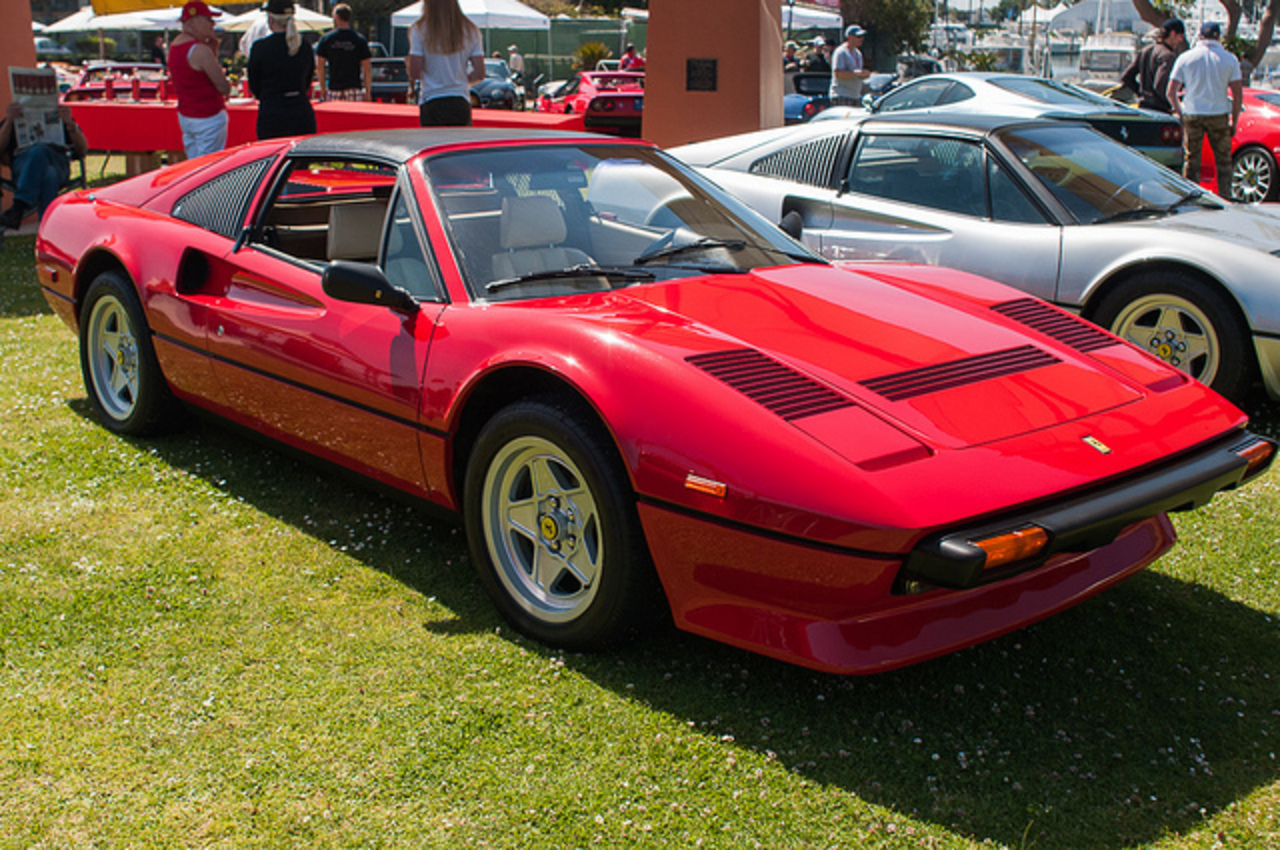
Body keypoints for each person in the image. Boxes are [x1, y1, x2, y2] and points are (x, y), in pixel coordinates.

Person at [1167, 21, 1243, 199]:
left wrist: (1180, 112)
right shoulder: (1229, 59)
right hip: (1218, 113)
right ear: (1218, 37)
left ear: (1200, 36)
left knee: (1192, 159)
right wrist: (1235, 120)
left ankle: (1190, 197)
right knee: (1223, 160)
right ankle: (1225, 195)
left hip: (1192, 112)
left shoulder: (1186, 58)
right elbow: (1238, 95)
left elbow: (1171, 92)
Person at [0, 102, 89, 232]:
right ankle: (48, 232)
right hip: (24, 170)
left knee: (41, 151)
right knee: (48, 174)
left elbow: (82, 150)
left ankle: (19, 207)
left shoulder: (61, 117)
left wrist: (70, 123)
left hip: (59, 165)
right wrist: (9, 121)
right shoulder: (13, 118)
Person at [168, 0, 231, 160]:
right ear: (194, 22)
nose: (212, 24)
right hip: (208, 116)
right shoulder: (199, 50)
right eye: (208, 20)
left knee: (194, 164)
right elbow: (223, 87)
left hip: (187, 114)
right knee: (208, 167)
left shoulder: (175, 46)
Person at [407, 0, 485, 127]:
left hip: (431, 99)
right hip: (460, 99)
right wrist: (462, 80)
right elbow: (480, 73)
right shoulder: (471, 30)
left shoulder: (419, 29)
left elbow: (414, 72)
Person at [248, 0, 317, 140]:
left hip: (272, 112)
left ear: (271, 19)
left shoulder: (260, 47)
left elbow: (254, 84)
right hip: (301, 110)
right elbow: (307, 79)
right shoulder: (304, 46)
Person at [1120, 18, 1186, 113]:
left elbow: (1126, 77)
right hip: (1160, 111)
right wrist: (1172, 102)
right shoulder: (1167, 56)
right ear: (1172, 33)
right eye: (1180, 36)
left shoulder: (1145, 50)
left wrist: (1141, 94)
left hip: (1143, 108)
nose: (1181, 40)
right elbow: (1160, 85)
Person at [315, 3, 371, 101]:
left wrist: (323, 88)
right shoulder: (359, 39)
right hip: (354, 89)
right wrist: (367, 91)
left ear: (336, 17)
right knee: (354, 116)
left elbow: (320, 66)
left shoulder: (327, 39)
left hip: (334, 89)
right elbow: (367, 68)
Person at [830, 24, 871, 106]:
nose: (861, 39)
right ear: (849, 37)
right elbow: (837, 73)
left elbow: (858, 73)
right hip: (842, 95)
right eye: (858, 37)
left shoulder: (858, 53)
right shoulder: (841, 52)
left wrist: (864, 75)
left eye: (862, 36)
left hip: (855, 96)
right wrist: (855, 73)